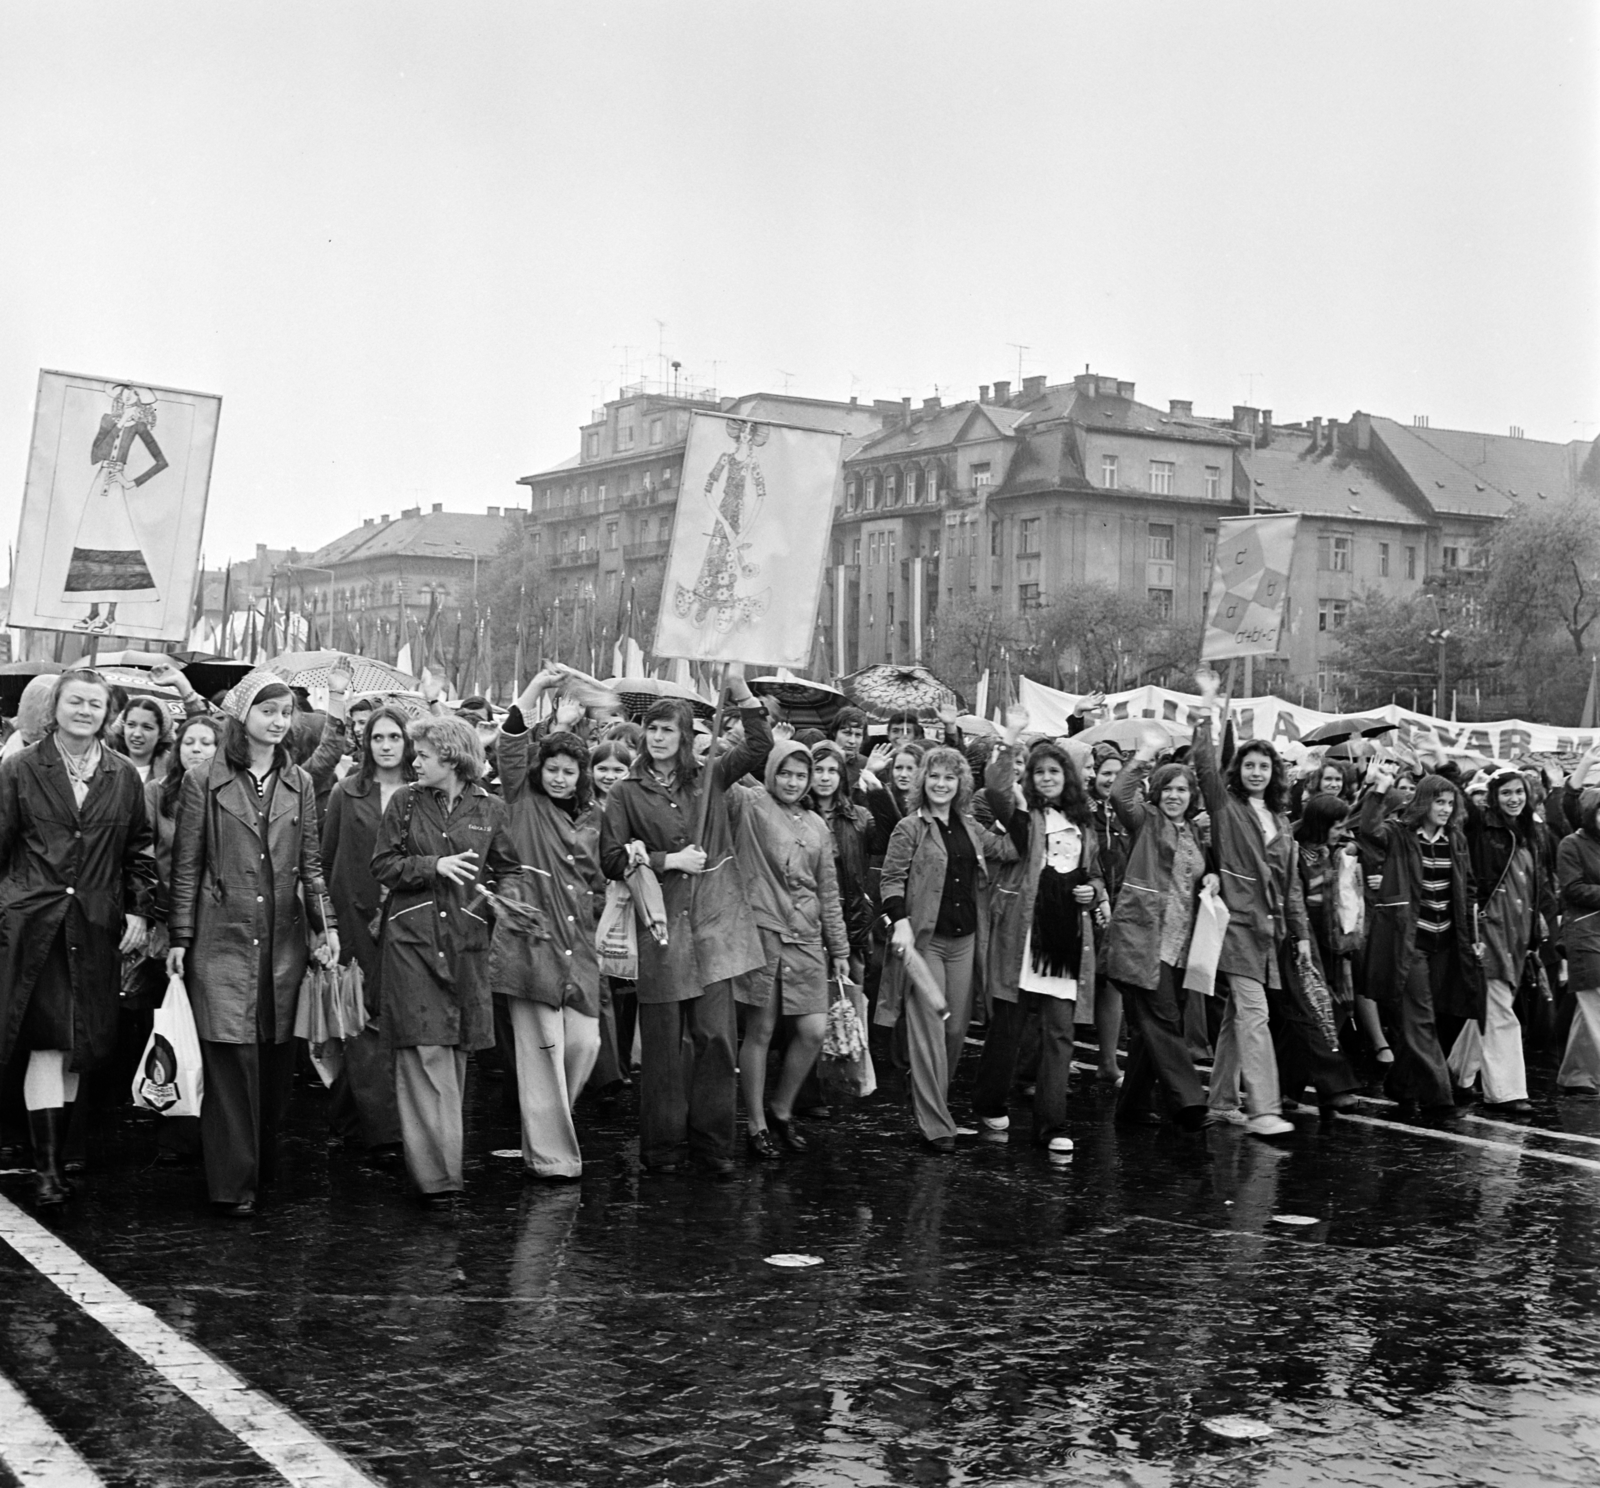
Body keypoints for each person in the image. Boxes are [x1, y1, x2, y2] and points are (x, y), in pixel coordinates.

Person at [167, 671, 337, 1217]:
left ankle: (261, 1172)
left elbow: (311, 864)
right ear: (242, 715)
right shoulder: (203, 781)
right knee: (230, 1056)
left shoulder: (299, 783)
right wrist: (180, 936)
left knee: (273, 1058)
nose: (279, 721)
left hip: (283, 939)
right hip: (222, 936)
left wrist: (324, 928)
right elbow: (186, 865)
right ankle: (231, 1185)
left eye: (286, 712)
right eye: (268, 711)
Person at [599, 667, 771, 1175]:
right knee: (663, 1048)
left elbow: (759, 744)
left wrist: (739, 688)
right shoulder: (624, 793)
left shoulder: (712, 774)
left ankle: (714, 1146)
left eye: (668, 729)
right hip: (662, 926)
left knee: (717, 1039)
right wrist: (666, 861)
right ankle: (663, 1149)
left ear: (686, 737)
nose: (657, 738)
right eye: (651, 729)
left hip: (716, 923)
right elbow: (610, 859)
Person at [0, 670, 156, 1207]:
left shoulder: (122, 775)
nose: (85, 711)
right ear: (55, 708)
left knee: (76, 1047)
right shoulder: (20, 768)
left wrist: (138, 909)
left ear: (107, 713)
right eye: (75, 701)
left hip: (93, 924)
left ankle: (59, 1154)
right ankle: (46, 1169)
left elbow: (139, 849)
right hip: (33, 923)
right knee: (47, 1040)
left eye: (95, 703)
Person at [372, 716, 521, 1206]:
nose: (414, 763)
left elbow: (508, 869)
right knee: (423, 1051)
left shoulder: (491, 808)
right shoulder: (404, 802)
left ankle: (443, 1168)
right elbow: (383, 865)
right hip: (412, 942)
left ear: (453, 758)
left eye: (424, 756)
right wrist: (431, 865)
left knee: (453, 1053)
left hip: (465, 943)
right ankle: (439, 1180)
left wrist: (502, 899)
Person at [970, 739, 1107, 1153]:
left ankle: (1053, 1125)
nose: (1047, 778)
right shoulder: (1023, 818)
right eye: (1040, 772)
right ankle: (989, 1101)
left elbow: (1096, 874)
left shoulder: (1085, 825)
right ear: (1030, 777)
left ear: (1067, 778)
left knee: (1059, 1033)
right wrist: (1010, 743)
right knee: (1008, 1030)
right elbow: (995, 789)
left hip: (1065, 940)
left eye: (1054, 772)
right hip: (1022, 937)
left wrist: (1094, 892)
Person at [1190, 673, 1310, 1139]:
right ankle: (1263, 1109)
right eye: (1249, 765)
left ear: (1274, 772)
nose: (1256, 771)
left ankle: (1221, 1101)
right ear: (1237, 770)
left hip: (1268, 931)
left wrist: (1300, 936)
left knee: (1235, 1019)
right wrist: (1207, 705)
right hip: (1235, 926)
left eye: (1264, 765)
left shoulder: (1281, 819)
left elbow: (1291, 886)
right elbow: (1203, 762)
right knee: (1255, 1014)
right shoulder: (1225, 808)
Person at [728, 739, 853, 1159]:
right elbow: (722, 771)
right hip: (765, 931)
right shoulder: (750, 804)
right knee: (761, 1030)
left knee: (813, 1030)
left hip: (808, 938)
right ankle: (756, 1125)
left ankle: (781, 1109)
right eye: (785, 772)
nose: (793, 782)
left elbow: (829, 889)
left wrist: (839, 947)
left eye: (802, 775)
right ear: (772, 771)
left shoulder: (817, 825)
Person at [496, 705, 605, 1181]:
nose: (559, 778)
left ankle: (544, 1127)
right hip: (530, 941)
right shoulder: (521, 798)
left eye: (569, 771)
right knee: (542, 1050)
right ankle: (552, 1160)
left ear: (582, 775)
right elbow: (510, 749)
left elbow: (597, 876)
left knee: (585, 1043)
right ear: (539, 770)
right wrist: (537, 696)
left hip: (577, 944)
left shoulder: (593, 815)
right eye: (552, 769)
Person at [880, 746, 997, 1153]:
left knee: (953, 1030)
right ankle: (935, 1123)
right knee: (930, 1024)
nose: (941, 784)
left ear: (961, 783)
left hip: (965, 941)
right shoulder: (909, 827)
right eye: (934, 776)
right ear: (923, 781)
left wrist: (1017, 802)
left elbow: (1008, 851)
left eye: (950, 777)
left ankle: (933, 1101)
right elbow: (891, 879)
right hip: (925, 942)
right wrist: (901, 921)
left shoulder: (970, 826)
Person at [1360, 765, 1485, 1119]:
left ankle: (1401, 1084)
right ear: (1423, 802)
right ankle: (1439, 1098)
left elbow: (1469, 888)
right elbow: (1369, 830)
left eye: (1450, 802)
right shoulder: (1401, 834)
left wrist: (1473, 936)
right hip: (1409, 941)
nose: (1445, 809)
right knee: (1421, 1018)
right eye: (1438, 802)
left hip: (1448, 941)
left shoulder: (1456, 839)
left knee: (1445, 1014)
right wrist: (1378, 790)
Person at [1104, 739, 1213, 1131]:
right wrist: (1144, 756)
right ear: (1157, 792)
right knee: (1164, 1021)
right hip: (1143, 942)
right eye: (1167, 788)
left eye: (1182, 789)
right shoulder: (1145, 820)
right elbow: (1119, 793)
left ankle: (1131, 1107)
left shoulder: (1198, 834)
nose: (1174, 796)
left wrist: (1212, 876)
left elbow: (1199, 874)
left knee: (1149, 1028)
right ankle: (1189, 1102)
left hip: (1182, 946)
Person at [320, 705, 413, 1157]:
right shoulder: (346, 792)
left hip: (406, 918)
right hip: (354, 917)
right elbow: (326, 855)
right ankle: (371, 1124)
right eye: (378, 738)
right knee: (357, 1017)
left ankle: (366, 1118)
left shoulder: (422, 792)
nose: (387, 745)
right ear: (367, 743)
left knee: (391, 1016)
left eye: (394, 736)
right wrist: (327, 923)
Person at [135, 712, 221, 1165]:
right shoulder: (156, 794)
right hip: (167, 921)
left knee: (209, 1023)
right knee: (171, 1022)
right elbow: (146, 857)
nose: (198, 750)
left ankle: (205, 1119)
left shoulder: (225, 794)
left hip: (216, 922)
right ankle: (170, 1113)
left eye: (208, 743)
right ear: (177, 748)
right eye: (191, 742)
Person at [1449, 767, 1554, 1115]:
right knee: (1500, 1011)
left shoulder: (1533, 832)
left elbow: (1538, 884)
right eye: (1506, 792)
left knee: (1490, 1007)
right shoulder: (1482, 825)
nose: (1514, 799)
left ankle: (1457, 1073)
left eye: (1519, 792)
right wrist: (1432, 762)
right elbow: (1461, 802)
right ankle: (1506, 1091)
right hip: (1490, 927)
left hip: (1519, 931)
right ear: (1494, 796)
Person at [589, 736, 639, 1097]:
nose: (609, 775)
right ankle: (602, 1068)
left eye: (618, 769)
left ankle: (620, 1063)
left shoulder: (633, 807)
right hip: (593, 902)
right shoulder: (584, 807)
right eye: (602, 768)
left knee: (624, 989)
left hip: (626, 902)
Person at [1556, 787, 1600, 1095]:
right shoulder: (1571, 844)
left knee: (1590, 1010)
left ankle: (1576, 1074)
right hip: (1584, 933)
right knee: (1595, 1003)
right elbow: (1572, 889)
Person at [116, 696, 172, 783]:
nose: (137, 734)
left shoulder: (172, 772)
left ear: (160, 732)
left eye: (147, 727)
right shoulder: (104, 765)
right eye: (131, 725)